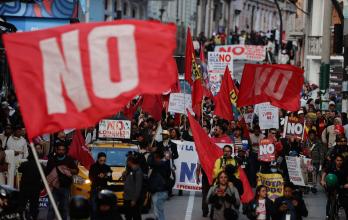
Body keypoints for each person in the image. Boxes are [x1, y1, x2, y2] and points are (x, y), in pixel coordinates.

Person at [46, 143, 78, 220]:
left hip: (65, 188)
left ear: (65, 151)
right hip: (54, 188)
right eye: (59, 149)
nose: (61, 151)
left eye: (63, 150)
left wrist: (68, 170)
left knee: (64, 208)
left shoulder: (69, 159)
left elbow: (76, 171)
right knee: (51, 208)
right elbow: (46, 172)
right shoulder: (52, 159)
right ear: (56, 150)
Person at [18, 149, 43, 220]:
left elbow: (19, 169)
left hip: (25, 188)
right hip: (35, 189)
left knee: (22, 205)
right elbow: (44, 175)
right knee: (34, 206)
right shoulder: (40, 166)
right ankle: (34, 217)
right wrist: (41, 186)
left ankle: (21, 217)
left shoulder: (24, 164)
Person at [321, 154, 348, 218]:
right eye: (337, 160)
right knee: (330, 200)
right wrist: (322, 180)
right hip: (332, 185)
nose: (339, 162)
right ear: (335, 161)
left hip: (342, 186)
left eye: (340, 160)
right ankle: (327, 215)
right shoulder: (331, 166)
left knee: (345, 202)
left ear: (343, 161)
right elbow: (324, 172)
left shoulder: (345, 167)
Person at [148, 150, 171, 220]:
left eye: (155, 158)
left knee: (159, 212)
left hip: (159, 191)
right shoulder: (165, 164)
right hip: (161, 191)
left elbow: (150, 162)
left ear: (158, 158)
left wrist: (151, 152)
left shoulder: (161, 164)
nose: (154, 160)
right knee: (158, 212)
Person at [89, 152, 112, 218]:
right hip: (95, 189)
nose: (102, 162)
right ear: (98, 159)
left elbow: (110, 178)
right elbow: (90, 177)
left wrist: (105, 176)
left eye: (104, 160)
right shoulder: (93, 167)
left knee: (103, 208)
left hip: (104, 190)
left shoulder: (107, 167)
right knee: (94, 208)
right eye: (101, 160)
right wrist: (98, 176)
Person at [156, 130, 178, 197]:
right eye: (162, 135)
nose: (163, 136)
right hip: (161, 164)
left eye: (164, 135)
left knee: (169, 178)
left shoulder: (173, 145)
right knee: (161, 178)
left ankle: (169, 192)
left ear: (168, 136)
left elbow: (176, 155)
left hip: (169, 164)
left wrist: (172, 156)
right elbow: (157, 154)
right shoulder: (159, 144)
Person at [123, 152, 144, 220]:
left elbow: (138, 187)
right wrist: (124, 175)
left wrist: (134, 200)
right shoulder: (129, 170)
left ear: (130, 162)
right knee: (128, 216)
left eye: (127, 161)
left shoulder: (138, 172)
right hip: (127, 198)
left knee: (136, 216)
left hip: (133, 199)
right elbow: (126, 181)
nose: (126, 163)